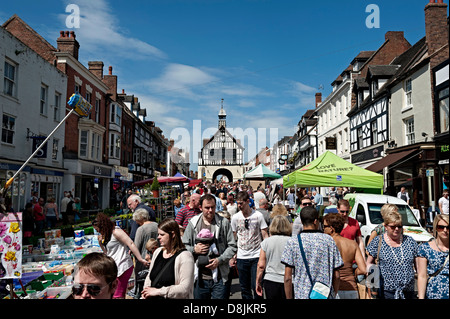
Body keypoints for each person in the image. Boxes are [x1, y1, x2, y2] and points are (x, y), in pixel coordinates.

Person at [281, 206, 343, 299]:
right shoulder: (328, 240)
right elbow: (337, 275)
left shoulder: (293, 242)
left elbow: (288, 277)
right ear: (315, 221)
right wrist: (333, 294)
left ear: (302, 222)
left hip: (302, 295)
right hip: (324, 295)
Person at [183, 194, 237, 299]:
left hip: (220, 277)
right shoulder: (193, 223)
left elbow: (232, 246)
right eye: (207, 208)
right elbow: (184, 246)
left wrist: (219, 260)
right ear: (200, 208)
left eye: (213, 207)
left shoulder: (224, 223)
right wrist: (194, 249)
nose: (210, 210)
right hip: (199, 278)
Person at [92, 212, 149, 299]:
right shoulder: (106, 235)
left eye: (98, 230)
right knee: (114, 293)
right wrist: (100, 243)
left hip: (123, 266)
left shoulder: (116, 232)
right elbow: (107, 252)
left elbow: (130, 243)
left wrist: (140, 258)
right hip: (114, 267)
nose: (98, 232)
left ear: (103, 226)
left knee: (117, 294)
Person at [366, 209, 418, 299]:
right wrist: (373, 289)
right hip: (386, 292)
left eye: (399, 226)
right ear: (386, 226)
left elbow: (418, 268)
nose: (397, 229)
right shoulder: (378, 241)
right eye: (393, 227)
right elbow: (369, 265)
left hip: (408, 292)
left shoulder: (410, 241)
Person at [142, 218, 195, 299]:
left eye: (162, 235)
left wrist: (158, 291)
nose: (158, 237)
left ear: (173, 234)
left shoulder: (185, 256)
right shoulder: (157, 252)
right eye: (158, 234)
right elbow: (150, 276)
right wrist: (146, 291)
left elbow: (184, 289)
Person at [231, 191, 268, 299]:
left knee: (256, 285)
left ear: (248, 202)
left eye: (241, 203)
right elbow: (233, 237)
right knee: (244, 288)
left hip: (256, 255)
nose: (239, 206)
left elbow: (264, 234)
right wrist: (233, 254)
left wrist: (266, 253)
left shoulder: (258, 215)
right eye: (237, 203)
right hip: (242, 256)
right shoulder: (235, 217)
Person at [323, 213, 366, 299]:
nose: (323, 229)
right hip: (351, 289)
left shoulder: (326, 244)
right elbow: (363, 269)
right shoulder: (352, 244)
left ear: (331, 229)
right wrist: (353, 273)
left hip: (333, 290)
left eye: (325, 226)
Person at [256, 215, 292, 299]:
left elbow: (261, 265)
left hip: (271, 279)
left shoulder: (266, 242)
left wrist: (258, 281)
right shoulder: (292, 241)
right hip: (289, 280)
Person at [417, 214, 449, 299]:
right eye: (441, 227)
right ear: (435, 228)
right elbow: (422, 276)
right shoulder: (425, 248)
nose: (445, 230)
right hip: (433, 294)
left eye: (448, 227)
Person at [132, 208, 159, 299]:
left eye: (136, 220)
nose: (136, 222)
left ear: (140, 219)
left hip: (144, 260)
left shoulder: (141, 229)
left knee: (143, 285)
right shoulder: (157, 225)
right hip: (157, 257)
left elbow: (136, 246)